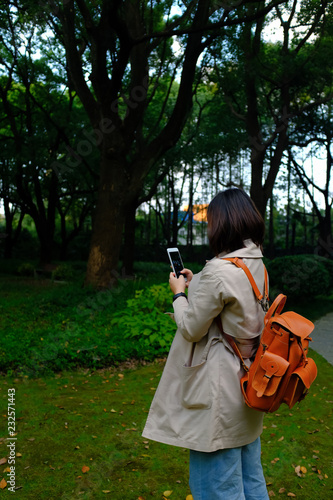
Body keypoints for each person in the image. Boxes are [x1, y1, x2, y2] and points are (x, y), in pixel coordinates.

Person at [142, 188, 270, 500]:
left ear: (221, 225)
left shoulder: (218, 271)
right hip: (248, 382)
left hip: (218, 392)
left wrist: (179, 294)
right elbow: (233, 302)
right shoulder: (255, 263)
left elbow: (190, 329)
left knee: (217, 487)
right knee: (251, 479)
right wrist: (195, 278)